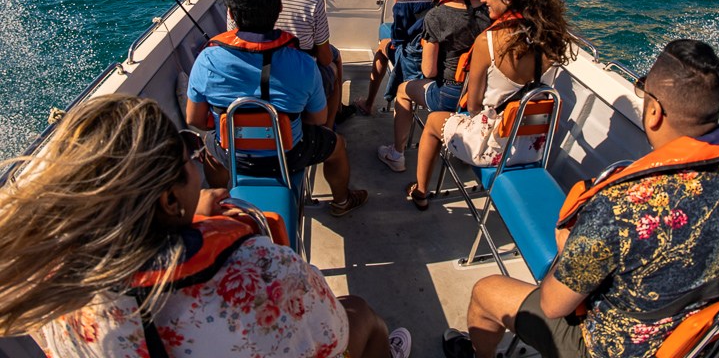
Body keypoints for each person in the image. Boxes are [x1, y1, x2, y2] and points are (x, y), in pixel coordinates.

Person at [0, 96, 411, 358]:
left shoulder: (48, 287)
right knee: (360, 314)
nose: (198, 166)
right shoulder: (261, 269)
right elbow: (329, 333)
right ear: (168, 200)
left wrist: (187, 219)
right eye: (190, 157)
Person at [442, 39, 719, 358]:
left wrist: (567, 246)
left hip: (610, 348)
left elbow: (553, 305)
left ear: (654, 113)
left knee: (486, 292)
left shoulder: (623, 203)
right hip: (691, 341)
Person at [188, 0, 367, 217]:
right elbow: (318, 119)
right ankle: (342, 201)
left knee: (210, 147)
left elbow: (195, 119)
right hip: (291, 152)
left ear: (231, 13)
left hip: (234, 154)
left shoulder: (207, 60)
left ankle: (220, 203)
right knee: (337, 146)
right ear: (278, 8)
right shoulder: (304, 64)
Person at [406, 0, 571, 210]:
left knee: (433, 122)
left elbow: (473, 106)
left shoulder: (489, 42)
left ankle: (420, 192)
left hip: (494, 147)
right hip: (531, 147)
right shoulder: (550, 39)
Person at [378, 0, 490, 173]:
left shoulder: (437, 16)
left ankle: (397, 154)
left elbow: (428, 71)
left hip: (450, 93)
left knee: (403, 91)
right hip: (480, 93)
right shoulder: (486, 11)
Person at [354, 0, 445, 116]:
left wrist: (394, 42)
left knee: (383, 45)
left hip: (415, 56)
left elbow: (399, 31)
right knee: (386, 35)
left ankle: (368, 104)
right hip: (440, 54)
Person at [263, 0, 346, 128]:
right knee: (333, 64)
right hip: (300, 73)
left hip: (258, 70)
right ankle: (330, 126)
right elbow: (324, 58)